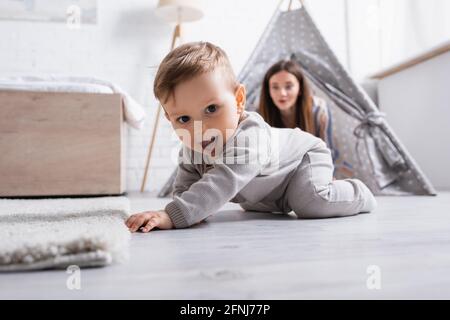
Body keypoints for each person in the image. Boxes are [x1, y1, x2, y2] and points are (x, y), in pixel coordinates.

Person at [125, 41, 376, 232]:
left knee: (310, 203)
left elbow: (223, 179)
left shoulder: (249, 137)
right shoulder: (193, 147)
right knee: (253, 205)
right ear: (170, 120)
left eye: (211, 109)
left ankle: (359, 193)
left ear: (238, 100)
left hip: (303, 160)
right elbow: (185, 186)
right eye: (183, 119)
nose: (199, 128)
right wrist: (187, 210)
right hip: (270, 193)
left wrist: (174, 215)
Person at [259, 59, 336, 160]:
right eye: (275, 87)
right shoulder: (258, 115)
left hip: (313, 167)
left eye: (288, 86)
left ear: (300, 89)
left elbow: (327, 152)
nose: (282, 93)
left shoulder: (318, 110)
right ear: (268, 90)